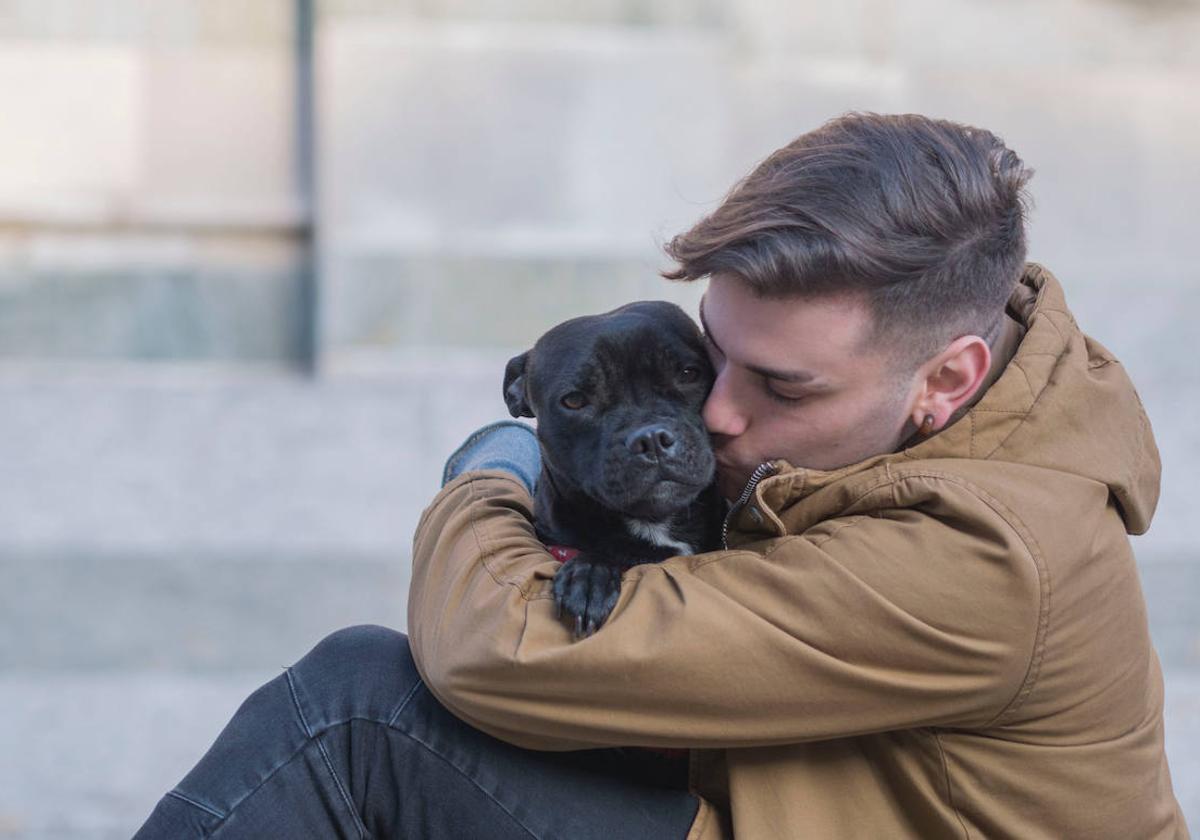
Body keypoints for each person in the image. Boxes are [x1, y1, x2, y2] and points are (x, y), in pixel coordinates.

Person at [135, 112, 1188, 839]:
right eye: (711, 361)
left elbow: (496, 651)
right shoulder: (931, 407)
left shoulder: (989, 558)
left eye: (779, 383)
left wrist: (494, 460)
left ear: (944, 378)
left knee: (356, 706)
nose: (721, 415)